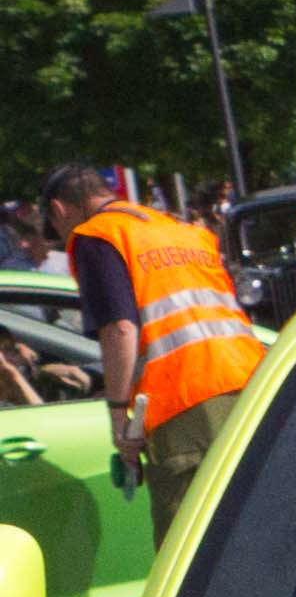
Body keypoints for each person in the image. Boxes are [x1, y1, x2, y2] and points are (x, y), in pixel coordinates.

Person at [50, 162, 268, 537]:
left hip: (187, 404)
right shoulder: (180, 229)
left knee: (189, 544)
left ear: (59, 209)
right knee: (256, 525)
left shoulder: (97, 236)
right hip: (252, 385)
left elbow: (120, 329)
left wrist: (118, 416)